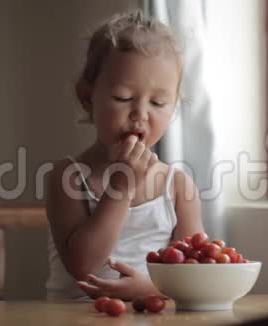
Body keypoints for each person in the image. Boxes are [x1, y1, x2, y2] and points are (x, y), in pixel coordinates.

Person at [45, 10, 204, 301]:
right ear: (87, 96)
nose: (140, 114)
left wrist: (151, 290)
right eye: (123, 98)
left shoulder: (178, 187)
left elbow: (192, 276)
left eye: (158, 102)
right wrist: (121, 187)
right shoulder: (67, 176)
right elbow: (82, 266)